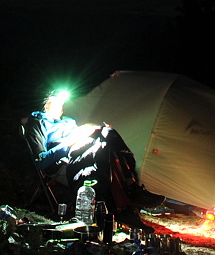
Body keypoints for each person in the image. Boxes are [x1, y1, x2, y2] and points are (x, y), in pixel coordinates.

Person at [30, 91, 160, 227]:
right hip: (63, 165)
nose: (60, 108)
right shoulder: (37, 124)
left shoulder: (68, 122)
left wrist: (87, 130)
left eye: (62, 105)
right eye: (57, 104)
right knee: (106, 144)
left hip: (84, 156)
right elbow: (41, 161)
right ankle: (130, 193)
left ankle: (125, 206)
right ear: (47, 104)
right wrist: (68, 143)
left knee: (106, 134)